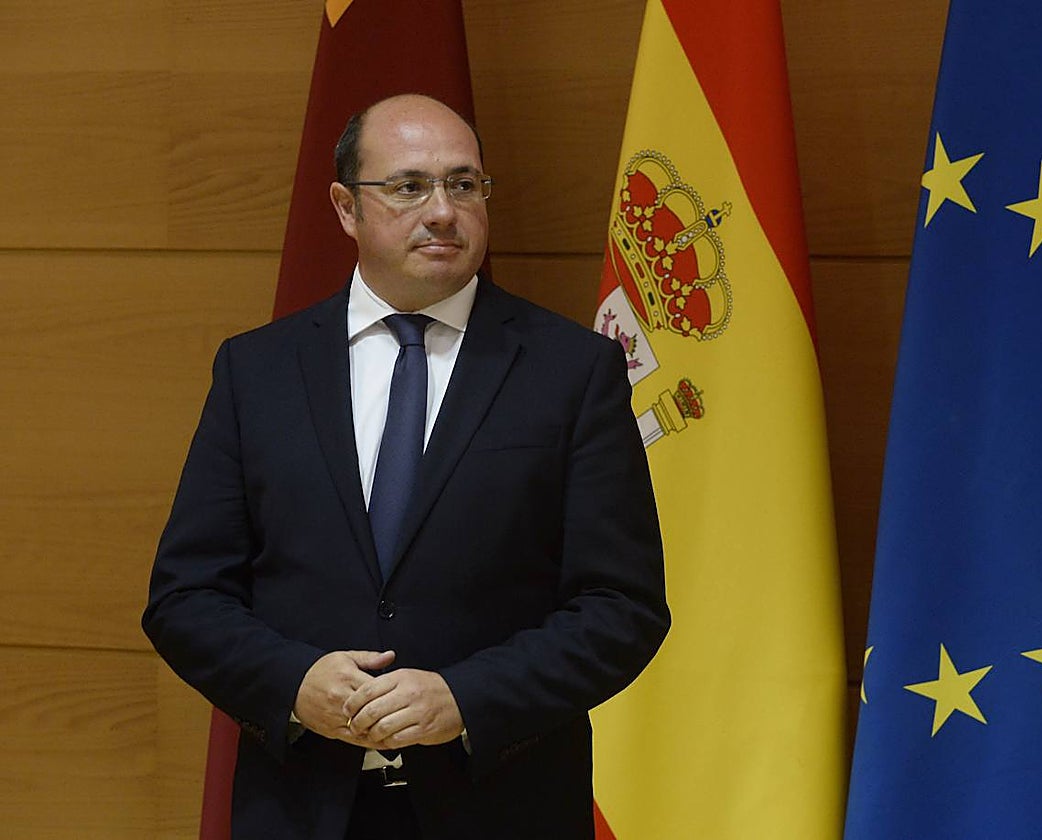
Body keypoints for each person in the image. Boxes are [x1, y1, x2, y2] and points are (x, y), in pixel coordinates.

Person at [143, 93, 669, 839]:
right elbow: (185, 597)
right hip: (301, 807)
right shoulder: (257, 370)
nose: (444, 210)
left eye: (464, 184)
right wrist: (293, 683)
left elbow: (623, 607)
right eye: (408, 186)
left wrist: (467, 697)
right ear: (345, 207)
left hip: (499, 805)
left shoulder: (571, 371)